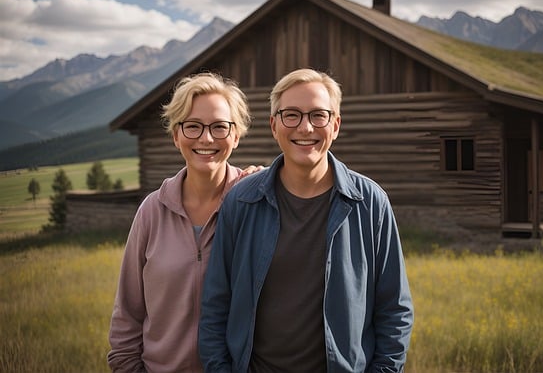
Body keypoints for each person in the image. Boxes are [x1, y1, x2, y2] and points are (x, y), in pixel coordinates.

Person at [198, 68, 414, 372]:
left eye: (318, 115)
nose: (306, 127)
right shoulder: (242, 202)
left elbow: (395, 310)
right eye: (292, 115)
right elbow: (216, 305)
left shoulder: (370, 203)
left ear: (335, 125)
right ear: (274, 126)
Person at [108, 72, 254, 373]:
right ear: (176, 136)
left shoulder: (254, 204)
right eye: (193, 126)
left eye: (219, 126)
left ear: (236, 135)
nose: (206, 137)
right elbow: (128, 312)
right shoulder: (151, 211)